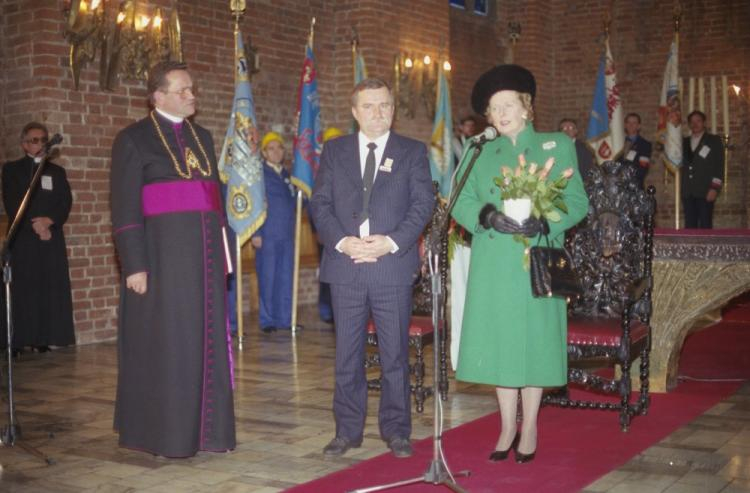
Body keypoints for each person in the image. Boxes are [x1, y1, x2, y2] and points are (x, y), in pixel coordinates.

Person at [451, 65, 588, 463]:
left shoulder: (556, 144)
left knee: (534, 343)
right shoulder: (479, 150)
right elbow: (458, 199)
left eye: (509, 104)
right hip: (494, 259)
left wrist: (548, 220)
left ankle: (529, 426)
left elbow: (578, 201)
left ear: (526, 107)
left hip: (540, 258)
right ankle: (506, 425)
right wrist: (487, 215)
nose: (502, 113)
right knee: (502, 343)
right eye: (494, 108)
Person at [110, 61, 236, 457]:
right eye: (183, 90)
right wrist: (135, 266)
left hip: (207, 261)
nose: (191, 95)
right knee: (168, 344)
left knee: (206, 341)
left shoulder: (204, 137)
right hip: (162, 263)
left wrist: (226, 252)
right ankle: (166, 434)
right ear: (158, 95)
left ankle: (209, 433)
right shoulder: (133, 139)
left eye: (192, 89)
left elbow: (214, 199)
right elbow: (124, 207)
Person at [310, 78, 434, 458]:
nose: (377, 113)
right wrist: (344, 242)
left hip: (390, 267)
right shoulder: (334, 151)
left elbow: (422, 204)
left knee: (394, 354)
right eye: (368, 106)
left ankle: (396, 431)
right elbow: (320, 204)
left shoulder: (411, 151)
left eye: (384, 105)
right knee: (347, 355)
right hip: (346, 265)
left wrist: (390, 242)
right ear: (354, 112)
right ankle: (347, 432)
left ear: (393, 109)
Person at [1, 122, 75, 353]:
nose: (41, 144)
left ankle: (46, 337)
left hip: (50, 238)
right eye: (34, 140)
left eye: (43, 139)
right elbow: (13, 202)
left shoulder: (56, 171)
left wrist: (49, 221)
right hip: (24, 239)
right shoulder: (11, 170)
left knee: (49, 287)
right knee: (26, 288)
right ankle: (22, 339)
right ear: (24, 144)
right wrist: (36, 225)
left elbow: (65, 202)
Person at [251, 131, 296, 333]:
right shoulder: (259, 173)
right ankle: (267, 320)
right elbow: (254, 204)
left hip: (287, 234)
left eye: (279, 148)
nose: (276, 152)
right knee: (267, 277)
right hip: (267, 234)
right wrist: (256, 232)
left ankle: (284, 319)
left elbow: (295, 204)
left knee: (285, 277)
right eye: (271, 148)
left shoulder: (287, 175)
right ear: (264, 152)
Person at [316, 126, 345, 324]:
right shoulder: (322, 167)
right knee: (328, 271)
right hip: (328, 230)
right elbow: (318, 201)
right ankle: (327, 309)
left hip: (348, 231)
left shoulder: (351, 165)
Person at [681, 110, 723, 228]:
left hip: (706, 190)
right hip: (688, 191)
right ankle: (688, 247)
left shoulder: (713, 141)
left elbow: (719, 167)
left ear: (704, 122)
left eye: (698, 121)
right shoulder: (684, 142)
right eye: (692, 122)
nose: (695, 124)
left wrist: (714, 188)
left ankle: (707, 247)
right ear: (689, 124)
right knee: (689, 225)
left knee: (705, 224)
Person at [622, 112, 652, 189]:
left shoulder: (644, 144)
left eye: (634, 123)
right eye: (628, 122)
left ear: (639, 126)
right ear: (625, 125)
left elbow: (642, 169)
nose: (631, 125)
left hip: (635, 187)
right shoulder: (619, 143)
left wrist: (626, 177)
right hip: (619, 186)